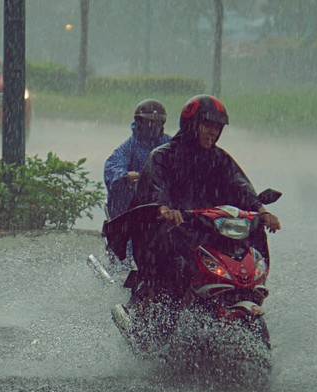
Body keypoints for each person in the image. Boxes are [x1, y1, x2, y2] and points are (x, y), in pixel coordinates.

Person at [115, 94, 281, 311]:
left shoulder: (219, 158)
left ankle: (246, 294)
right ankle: (158, 322)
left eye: (218, 127)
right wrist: (164, 208)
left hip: (207, 229)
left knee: (251, 241)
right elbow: (155, 187)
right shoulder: (162, 156)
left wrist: (261, 210)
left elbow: (240, 185)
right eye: (207, 125)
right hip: (168, 230)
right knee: (178, 268)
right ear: (191, 124)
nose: (213, 132)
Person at [104, 99, 172, 220]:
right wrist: (126, 176)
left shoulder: (169, 144)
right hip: (134, 206)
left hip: (165, 203)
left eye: (157, 122)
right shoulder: (129, 147)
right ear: (139, 122)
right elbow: (112, 168)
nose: (153, 126)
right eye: (149, 122)